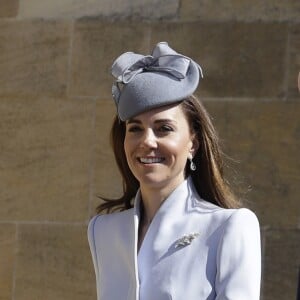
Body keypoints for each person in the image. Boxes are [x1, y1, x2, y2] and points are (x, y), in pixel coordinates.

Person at [88, 42, 261, 300]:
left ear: (194, 143)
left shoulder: (229, 227)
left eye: (164, 129)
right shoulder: (103, 231)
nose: (147, 141)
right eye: (135, 129)